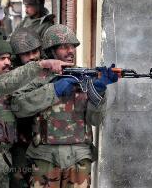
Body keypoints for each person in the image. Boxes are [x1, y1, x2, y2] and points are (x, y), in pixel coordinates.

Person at [11, 24, 118, 188]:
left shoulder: (85, 77)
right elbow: (18, 107)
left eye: (73, 46)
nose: (71, 51)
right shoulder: (36, 76)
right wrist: (54, 89)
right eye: (64, 47)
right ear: (51, 50)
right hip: (45, 158)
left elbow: (95, 120)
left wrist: (98, 93)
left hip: (79, 158)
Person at [0, 37, 73, 188]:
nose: (7, 62)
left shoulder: (4, 84)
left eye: (8, 58)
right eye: (1, 58)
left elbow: (26, 87)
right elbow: (9, 81)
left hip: (3, 158)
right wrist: (43, 64)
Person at [10, 28, 43, 187]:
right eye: (26, 53)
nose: (32, 57)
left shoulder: (45, 70)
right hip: (18, 141)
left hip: (43, 142)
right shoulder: (11, 76)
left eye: (35, 51)